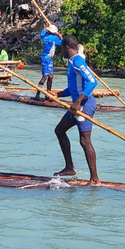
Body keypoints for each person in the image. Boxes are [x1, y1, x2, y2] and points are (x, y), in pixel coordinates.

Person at [54, 35, 100, 186]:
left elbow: (92, 81)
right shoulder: (72, 62)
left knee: (84, 140)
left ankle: (95, 179)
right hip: (76, 105)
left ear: (67, 47)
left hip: (84, 105)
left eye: (62, 48)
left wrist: (78, 101)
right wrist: (59, 94)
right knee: (59, 130)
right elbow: (74, 88)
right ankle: (69, 168)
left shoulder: (78, 61)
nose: (61, 52)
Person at [37, 24, 62, 101]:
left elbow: (41, 34)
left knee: (50, 76)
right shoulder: (53, 38)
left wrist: (44, 28)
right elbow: (62, 43)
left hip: (47, 59)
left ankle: (48, 92)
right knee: (45, 77)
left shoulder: (44, 36)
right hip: (46, 59)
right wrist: (60, 36)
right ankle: (37, 95)